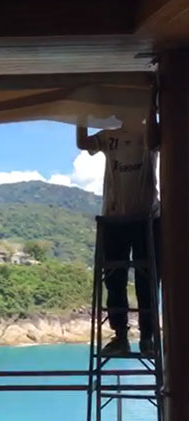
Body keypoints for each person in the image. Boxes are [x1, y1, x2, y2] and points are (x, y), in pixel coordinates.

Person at [77, 96, 160, 355]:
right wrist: (79, 114)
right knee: (115, 280)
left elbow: (155, 142)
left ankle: (147, 337)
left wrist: (152, 103)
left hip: (146, 218)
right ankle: (121, 336)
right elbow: (83, 143)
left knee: (147, 280)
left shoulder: (149, 134)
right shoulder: (109, 136)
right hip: (114, 218)